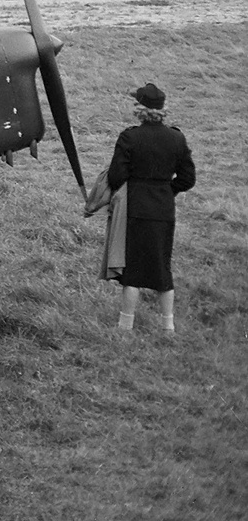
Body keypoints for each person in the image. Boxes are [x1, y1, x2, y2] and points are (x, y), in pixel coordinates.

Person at [105, 83, 195, 334]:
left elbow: (115, 177)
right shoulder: (177, 138)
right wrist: (167, 190)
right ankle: (168, 326)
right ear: (163, 109)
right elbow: (188, 178)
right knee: (162, 266)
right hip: (164, 210)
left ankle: (125, 326)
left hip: (135, 208)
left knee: (133, 268)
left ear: (139, 109)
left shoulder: (129, 137)